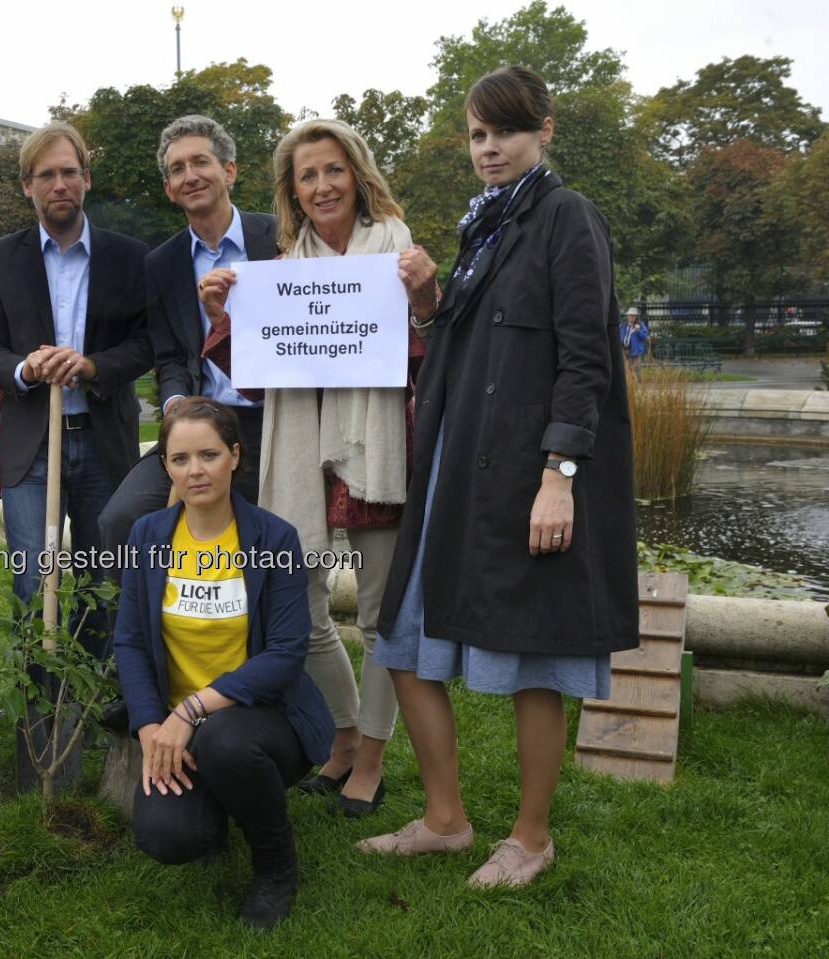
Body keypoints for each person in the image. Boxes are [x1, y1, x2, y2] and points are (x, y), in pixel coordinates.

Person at [360, 66, 638, 887]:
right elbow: (464, 347)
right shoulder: (484, 227)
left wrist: (560, 473)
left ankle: (530, 835)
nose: (489, 149)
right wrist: (426, 299)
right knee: (402, 637)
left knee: (536, 657)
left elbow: (586, 355)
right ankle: (445, 819)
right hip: (455, 467)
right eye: (478, 135)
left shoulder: (567, 217)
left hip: (527, 473)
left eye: (504, 132)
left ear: (543, 128)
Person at [195, 119, 439, 818]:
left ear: (356, 175)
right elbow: (263, 381)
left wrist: (424, 300)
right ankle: (341, 732)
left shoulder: (397, 251)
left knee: (381, 616)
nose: (322, 185)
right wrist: (223, 317)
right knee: (297, 614)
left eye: (333, 170)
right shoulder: (281, 270)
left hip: (378, 448)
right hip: (303, 454)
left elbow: (433, 355)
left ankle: (371, 757)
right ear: (292, 192)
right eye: (308, 176)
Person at [114, 398, 333, 931]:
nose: (196, 470)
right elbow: (130, 643)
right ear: (164, 465)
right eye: (180, 458)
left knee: (226, 743)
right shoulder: (147, 537)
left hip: (260, 721)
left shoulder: (272, 538)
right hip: (175, 725)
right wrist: (148, 729)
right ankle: (218, 804)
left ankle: (276, 863)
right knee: (172, 838)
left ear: (235, 456)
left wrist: (189, 712)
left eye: (209, 454)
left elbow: (285, 654)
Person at [0, 122, 152, 655]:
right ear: (27, 185)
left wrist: (92, 366)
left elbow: (145, 344)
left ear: (87, 179)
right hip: (32, 447)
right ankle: (42, 712)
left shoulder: (127, 256)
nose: (59, 184)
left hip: (103, 440)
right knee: (32, 583)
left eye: (69, 172)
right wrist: (26, 368)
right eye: (46, 174)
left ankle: (97, 696)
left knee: (105, 581)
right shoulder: (1, 258)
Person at [97, 115, 279, 564]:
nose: (190, 175)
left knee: (256, 541)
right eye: (177, 169)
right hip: (202, 418)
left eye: (200, 162)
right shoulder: (163, 263)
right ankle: (147, 627)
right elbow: (170, 356)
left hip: (275, 417)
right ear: (169, 188)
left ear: (229, 171)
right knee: (120, 519)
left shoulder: (280, 238)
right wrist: (175, 401)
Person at [622, 306, 649, 376]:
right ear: (627, 316)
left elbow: (644, 337)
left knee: (635, 369)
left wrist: (638, 331)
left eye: (633, 316)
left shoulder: (640, 325)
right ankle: (627, 384)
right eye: (630, 315)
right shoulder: (623, 325)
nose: (631, 317)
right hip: (623, 350)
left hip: (635, 351)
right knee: (623, 369)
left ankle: (638, 385)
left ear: (636, 317)